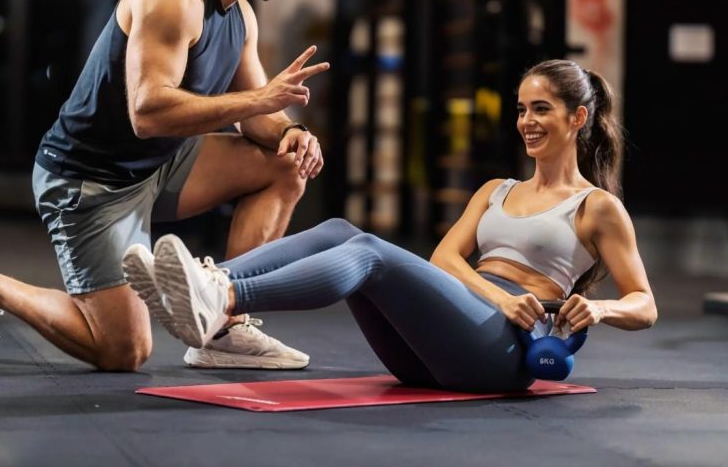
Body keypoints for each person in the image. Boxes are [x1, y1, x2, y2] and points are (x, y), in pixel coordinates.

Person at [0, 0, 330, 372]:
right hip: (89, 180)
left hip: (160, 165)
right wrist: (259, 99)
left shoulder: (241, 16)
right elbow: (148, 114)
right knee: (124, 352)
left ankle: (226, 324)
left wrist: (290, 131)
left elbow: (258, 115)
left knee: (285, 164)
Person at [128, 59, 658, 392]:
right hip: (451, 337)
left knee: (371, 256)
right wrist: (494, 297)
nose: (527, 122)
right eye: (522, 109)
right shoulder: (496, 191)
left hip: (504, 352)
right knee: (339, 229)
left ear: (578, 119)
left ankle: (222, 299)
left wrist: (602, 307)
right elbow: (444, 261)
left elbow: (645, 304)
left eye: (541, 109)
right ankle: (209, 281)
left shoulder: (596, 207)